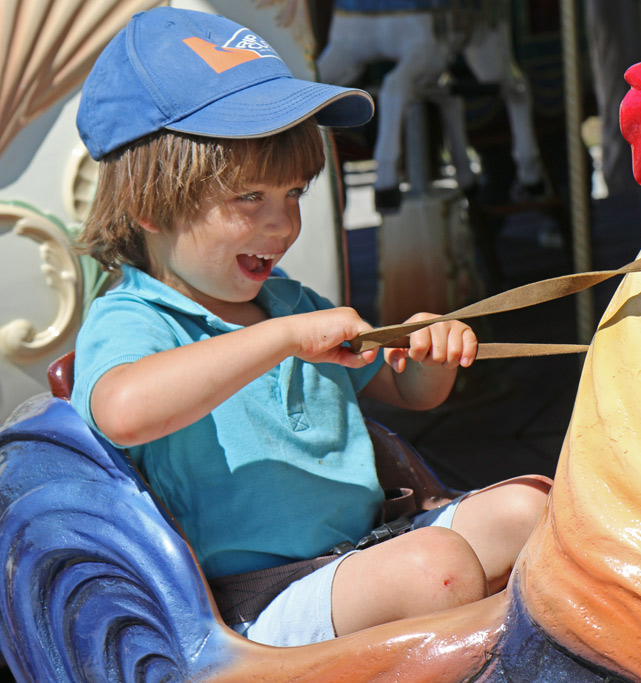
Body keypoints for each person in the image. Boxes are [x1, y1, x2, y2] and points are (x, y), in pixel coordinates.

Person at [69, 7, 550, 648]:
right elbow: (122, 410)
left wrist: (430, 350)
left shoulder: (290, 302)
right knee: (437, 572)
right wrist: (282, 340)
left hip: (368, 546)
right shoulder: (135, 317)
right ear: (147, 207)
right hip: (250, 605)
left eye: (293, 194)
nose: (283, 225)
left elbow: (411, 395)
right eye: (251, 198)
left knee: (532, 508)